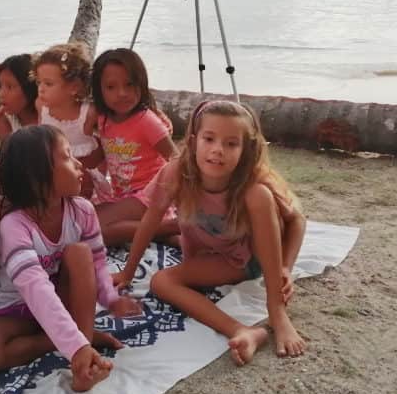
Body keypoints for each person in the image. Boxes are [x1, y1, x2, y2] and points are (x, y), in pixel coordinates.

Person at [121, 100, 308, 366]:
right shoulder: (176, 172)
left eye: (231, 144)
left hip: (244, 258)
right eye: (209, 139)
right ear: (195, 140)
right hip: (206, 245)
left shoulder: (255, 189)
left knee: (162, 281)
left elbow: (296, 221)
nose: (218, 150)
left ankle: (243, 330)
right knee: (169, 233)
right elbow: (150, 220)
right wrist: (128, 273)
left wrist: (284, 273)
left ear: (245, 150)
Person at [0, 126, 141, 392]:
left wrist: (110, 298)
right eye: (68, 156)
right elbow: (35, 288)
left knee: (80, 252)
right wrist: (73, 344)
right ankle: (75, 341)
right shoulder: (14, 226)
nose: (78, 163)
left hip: (61, 298)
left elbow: (97, 262)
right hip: (19, 306)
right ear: (38, 176)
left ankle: (83, 361)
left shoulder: (82, 210)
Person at [90, 48, 178, 246]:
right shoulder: (103, 118)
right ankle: (164, 233)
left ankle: (170, 226)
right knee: (86, 221)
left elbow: (177, 159)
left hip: (150, 195)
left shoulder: (146, 121)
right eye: (111, 87)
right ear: (99, 90)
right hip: (123, 195)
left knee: (93, 230)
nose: (121, 94)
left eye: (129, 84)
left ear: (141, 84)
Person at [33, 43, 103, 196]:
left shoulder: (88, 113)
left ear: (74, 87)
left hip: (83, 178)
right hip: (52, 173)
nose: (41, 89)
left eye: (48, 83)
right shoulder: (41, 107)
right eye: (39, 82)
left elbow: (107, 144)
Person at [0, 54, 39, 207]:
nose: (1, 94)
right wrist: (3, 131)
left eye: (10, 87)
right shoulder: (12, 120)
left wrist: (6, 133)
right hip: (21, 179)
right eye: (0, 86)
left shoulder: (45, 121)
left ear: (30, 88)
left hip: (41, 180)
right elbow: (11, 161)